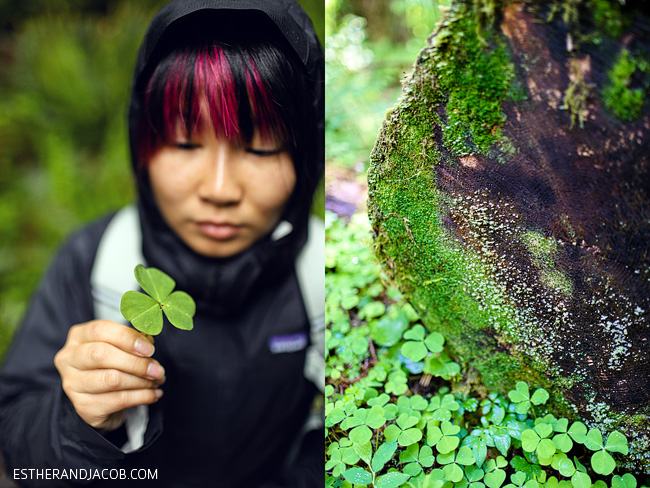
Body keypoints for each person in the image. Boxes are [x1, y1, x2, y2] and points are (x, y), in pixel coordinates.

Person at [0, 1, 324, 486]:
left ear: (304, 157)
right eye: (185, 143)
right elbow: (18, 448)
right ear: (144, 144)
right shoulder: (95, 261)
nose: (218, 189)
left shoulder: (325, 271)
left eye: (260, 148)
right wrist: (75, 419)